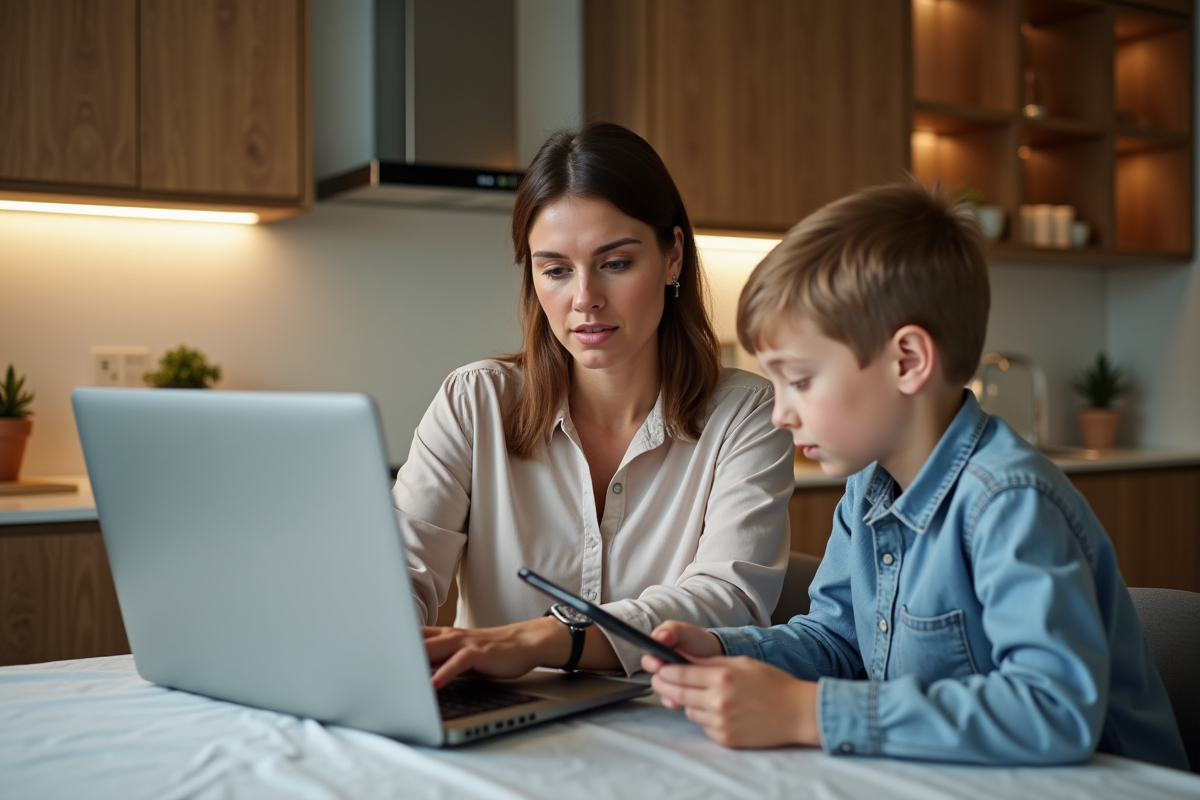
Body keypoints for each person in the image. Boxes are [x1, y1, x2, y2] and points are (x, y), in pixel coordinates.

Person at [641, 181, 1189, 770]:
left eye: (799, 380)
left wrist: (808, 713)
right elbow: (838, 641)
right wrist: (726, 650)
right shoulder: (867, 490)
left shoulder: (1007, 500)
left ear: (907, 361)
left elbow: (1051, 708)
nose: (780, 412)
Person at [393, 122, 796, 688]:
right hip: (498, 720)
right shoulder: (473, 402)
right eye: (556, 270)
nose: (585, 299)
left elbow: (729, 600)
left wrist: (551, 638)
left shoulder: (746, 415)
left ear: (673, 256)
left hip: (663, 723)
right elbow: (400, 576)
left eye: (615, 263)